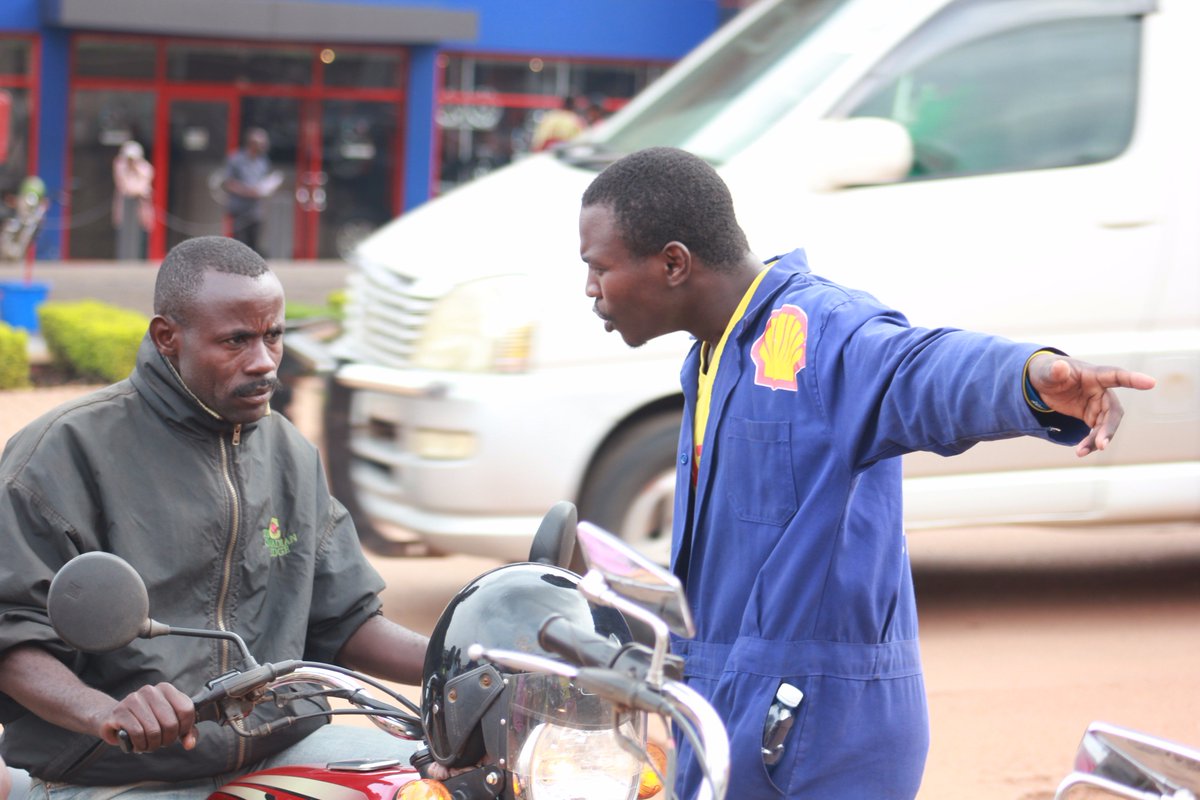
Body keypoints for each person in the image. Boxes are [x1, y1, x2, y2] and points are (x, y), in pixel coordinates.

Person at [577, 147, 1157, 799]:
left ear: (674, 263)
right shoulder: (709, 357)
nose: (591, 290)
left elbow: (917, 367)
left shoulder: (817, 329)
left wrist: (1023, 378)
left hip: (818, 736)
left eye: (598, 268)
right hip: (725, 711)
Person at [0, 236, 428, 797]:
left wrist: (466, 658)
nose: (263, 361)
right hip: (125, 773)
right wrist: (106, 713)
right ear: (168, 338)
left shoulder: (290, 454)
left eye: (273, 335)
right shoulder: (61, 455)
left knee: (437, 782)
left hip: (285, 749)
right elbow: (11, 637)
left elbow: (343, 621)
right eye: (236, 341)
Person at [221, 128, 280, 255]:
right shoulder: (235, 159)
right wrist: (247, 191)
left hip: (256, 211)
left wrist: (267, 189)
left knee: (254, 246)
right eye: (261, 144)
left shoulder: (263, 162)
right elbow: (228, 183)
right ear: (251, 143)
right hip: (239, 210)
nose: (264, 147)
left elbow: (264, 182)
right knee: (239, 245)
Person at [112, 140, 155, 260]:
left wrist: (135, 169)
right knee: (125, 233)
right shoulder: (120, 166)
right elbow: (124, 186)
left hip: (140, 205)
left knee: (140, 234)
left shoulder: (145, 168)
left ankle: (139, 259)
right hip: (126, 204)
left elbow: (143, 185)